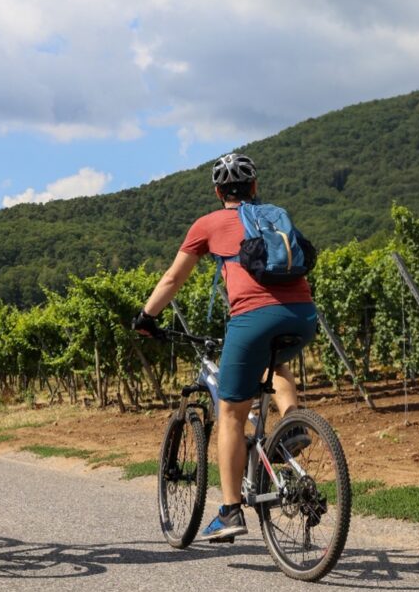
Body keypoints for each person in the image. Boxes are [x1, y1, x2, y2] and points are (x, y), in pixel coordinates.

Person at [133, 153, 316, 541]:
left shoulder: (208, 224)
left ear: (218, 192)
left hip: (253, 319)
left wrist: (146, 317)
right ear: (254, 188)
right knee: (275, 367)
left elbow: (172, 278)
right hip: (302, 316)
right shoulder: (274, 214)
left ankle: (231, 511)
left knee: (232, 413)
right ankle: (291, 425)